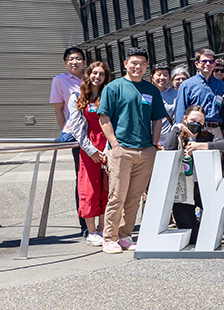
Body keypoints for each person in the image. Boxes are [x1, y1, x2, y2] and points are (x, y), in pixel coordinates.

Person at [97, 47, 166, 254]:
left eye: (142, 64)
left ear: (146, 67)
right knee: (117, 195)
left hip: (145, 150)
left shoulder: (151, 89)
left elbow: (157, 119)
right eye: (134, 63)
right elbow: (104, 118)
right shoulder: (113, 87)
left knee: (134, 197)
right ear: (125, 64)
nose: (138, 67)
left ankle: (125, 235)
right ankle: (109, 237)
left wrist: (153, 146)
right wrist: (114, 146)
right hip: (122, 150)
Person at [163, 105, 224, 244]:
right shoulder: (178, 134)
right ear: (185, 118)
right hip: (183, 191)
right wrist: (178, 128)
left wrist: (201, 146)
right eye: (193, 120)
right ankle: (196, 227)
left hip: (201, 187)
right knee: (192, 238)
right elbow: (168, 148)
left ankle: (204, 227)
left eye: (200, 122)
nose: (196, 124)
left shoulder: (206, 136)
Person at [65, 61, 112, 246]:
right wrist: (92, 150)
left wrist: (108, 149)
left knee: (107, 189)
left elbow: (113, 123)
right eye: (94, 73)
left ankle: (103, 228)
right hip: (88, 149)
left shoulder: (109, 97)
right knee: (89, 190)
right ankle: (91, 231)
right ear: (88, 75)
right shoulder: (77, 97)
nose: (97, 77)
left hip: (108, 147)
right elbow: (77, 129)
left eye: (101, 74)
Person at [50, 46, 87, 235]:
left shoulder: (93, 77)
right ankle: (85, 224)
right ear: (65, 63)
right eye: (71, 59)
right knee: (82, 178)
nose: (75, 62)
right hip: (78, 136)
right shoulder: (59, 80)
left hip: (97, 134)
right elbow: (59, 109)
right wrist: (65, 132)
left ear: (84, 61)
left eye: (79, 58)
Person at [175, 49, 224, 140]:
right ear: (196, 64)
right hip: (194, 130)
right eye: (204, 61)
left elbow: (223, 111)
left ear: (214, 64)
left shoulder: (220, 85)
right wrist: (182, 133)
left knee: (219, 154)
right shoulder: (187, 85)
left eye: (210, 61)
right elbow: (181, 111)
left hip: (216, 129)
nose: (207, 64)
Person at [150, 63, 177, 146]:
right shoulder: (146, 94)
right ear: (152, 77)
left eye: (165, 75)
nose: (162, 78)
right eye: (158, 74)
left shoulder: (176, 94)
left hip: (171, 138)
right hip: (150, 139)